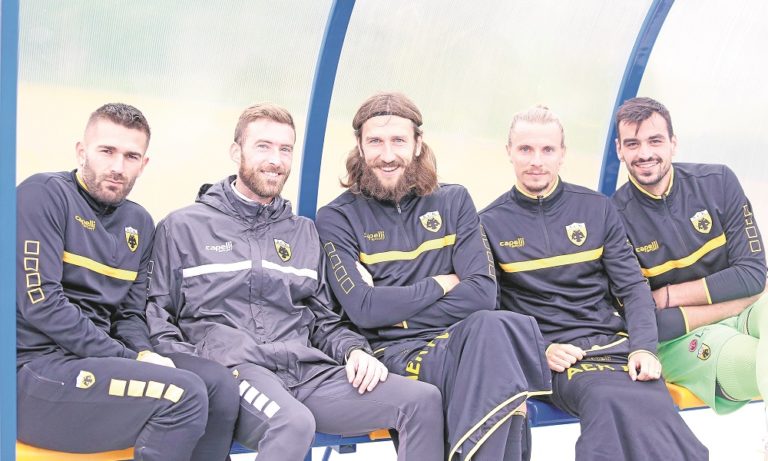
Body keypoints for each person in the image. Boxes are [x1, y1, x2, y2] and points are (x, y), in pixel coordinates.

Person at [146, 102, 444, 461]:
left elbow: (324, 320)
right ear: (236, 151)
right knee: (292, 423)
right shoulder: (183, 227)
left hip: (306, 371)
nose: (276, 160)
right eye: (263, 146)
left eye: (285, 149)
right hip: (237, 371)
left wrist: (354, 351)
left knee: (421, 400)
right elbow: (158, 319)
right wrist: (201, 372)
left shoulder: (303, 233)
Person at [315, 92, 551, 461]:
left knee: (496, 326)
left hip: (465, 343)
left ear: (417, 144)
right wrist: (441, 283)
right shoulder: (337, 217)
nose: (387, 155)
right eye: (375, 141)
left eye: (398, 140)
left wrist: (391, 311)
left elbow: (482, 294)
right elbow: (363, 310)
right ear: (360, 146)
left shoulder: (454, 201)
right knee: (499, 358)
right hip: (395, 355)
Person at [479, 105, 708, 460]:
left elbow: (633, 289)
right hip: (556, 360)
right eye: (525, 149)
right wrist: (538, 351)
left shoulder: (597, 208)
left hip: (612, 348)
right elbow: (489, 313)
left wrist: (644, 348)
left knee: (654, 403)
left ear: (562, 153)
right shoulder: (488, 223)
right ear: (509, 151)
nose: (536, 161)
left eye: (547, 149)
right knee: (604, 397)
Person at [16, 103, 239, 461]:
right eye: (107, 151)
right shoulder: (42, 195)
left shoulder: (139, 222)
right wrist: (131, 358)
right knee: (182, 394)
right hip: (34, 375)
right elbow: (42, 303)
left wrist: (145, 352)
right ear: (81, 151)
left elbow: (129, 315)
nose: (118, 167)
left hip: (100, 364)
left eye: (131, 156)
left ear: (144, 163)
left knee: (219, 385)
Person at [612, 97, 767, 452]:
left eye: (655, 141)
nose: (645, 153)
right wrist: (738, 301)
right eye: (633, 144)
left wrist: (669, 295)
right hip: (681, 340)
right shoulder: (612, 219)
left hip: (743, 311)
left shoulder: (719, 181)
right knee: (756, 360)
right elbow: (647, 322)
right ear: (619, 150)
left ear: (673, 142)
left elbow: (752, 275)